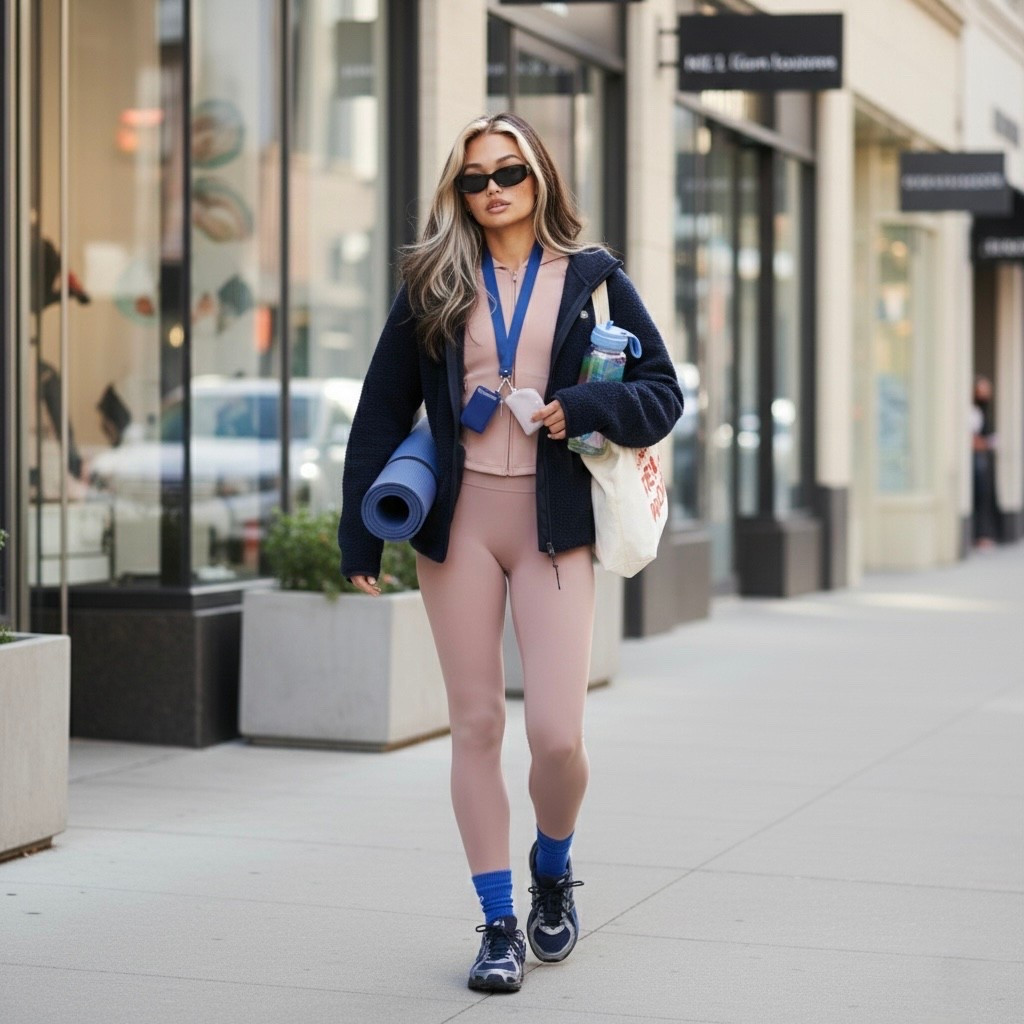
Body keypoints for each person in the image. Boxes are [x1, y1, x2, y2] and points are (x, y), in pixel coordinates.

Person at [338, 113, 683, 993]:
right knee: (478, 725)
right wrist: (357, 527)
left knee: (558, 738)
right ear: (458, 193)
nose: (494, 191)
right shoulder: (432, 282)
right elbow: (382, 407)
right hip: (458, 528)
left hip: (551, 523)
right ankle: (498, 924)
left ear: (541, 178)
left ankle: (554, 868)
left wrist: (585, 407)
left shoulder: (595, 280)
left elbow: (662, 393)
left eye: (510, 173)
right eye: (475, 179)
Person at [971, 374, 1000, 548]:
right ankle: (980, 536)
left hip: (984, 459)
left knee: (987, 496)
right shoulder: (972, 411)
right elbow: (971, 440)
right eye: (982, 391)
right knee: (980, 495)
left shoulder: (983, 411)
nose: (985, 395)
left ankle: (985, 535)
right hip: (976, 460)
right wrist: (985, 444)